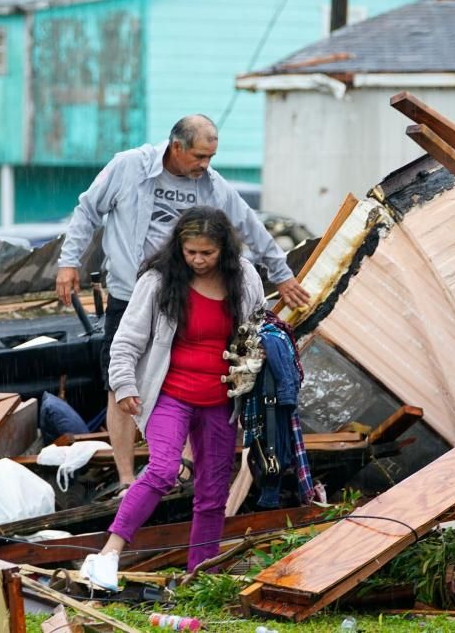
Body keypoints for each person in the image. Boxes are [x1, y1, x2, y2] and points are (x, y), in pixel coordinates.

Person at [55, 115, 309, 493]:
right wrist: (68, 262)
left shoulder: (211, 185)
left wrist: (281, 272)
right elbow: (88, 209)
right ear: (177, 147)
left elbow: (248, 225)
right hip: (131, 293)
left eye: (211, 157)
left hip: (184, 294)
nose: (206, 165)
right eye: (200, 156)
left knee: (181, 380)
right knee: (119, 379)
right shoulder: (130, 167)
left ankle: (181, 469)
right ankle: (127, 477)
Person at [79, 207, 265, 589]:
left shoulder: (244, 277)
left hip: (221, 400)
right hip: (170, 394)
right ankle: (107, 554)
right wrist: (126, 385)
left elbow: (259, 333)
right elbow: (126, 341)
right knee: (164, 469)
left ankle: (202, 576)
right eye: (190, 251)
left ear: (223, 250)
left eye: (206, 253)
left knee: (213, 492)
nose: (197, 260)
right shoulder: (159, 279)